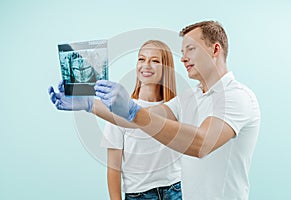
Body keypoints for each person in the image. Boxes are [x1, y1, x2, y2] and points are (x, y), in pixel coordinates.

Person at [49, 20, 260, 200]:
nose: (183, 58)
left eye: (191, 49)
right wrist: (89, 105)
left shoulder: (237, 97)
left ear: (215, 49)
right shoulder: (190, 97)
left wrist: (133, 110)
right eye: (182, 51)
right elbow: (143, 120)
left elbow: (201, 144)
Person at [101, 40, 182, 200]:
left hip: (177, 190)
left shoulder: (176, 107)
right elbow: (113, 168)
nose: (146, 65)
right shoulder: (121, 109)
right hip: (139, 195)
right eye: (141, 59)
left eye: (155, 60)